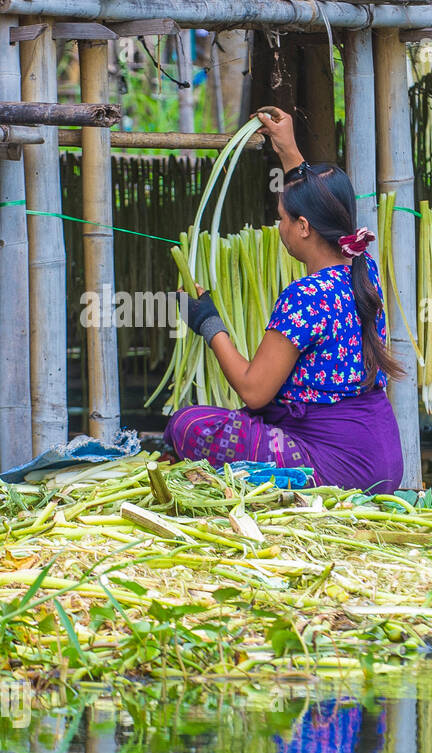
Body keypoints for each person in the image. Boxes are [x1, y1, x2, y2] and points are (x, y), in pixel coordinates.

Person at [163, 106, 406, 494]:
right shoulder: (364, 265)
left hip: (336, 467)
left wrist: (208, 322)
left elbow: (254, 390)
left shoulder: (307, 296)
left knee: (186, 425)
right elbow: (319, 198)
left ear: (304, 227)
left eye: (283, 218)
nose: (280, 227)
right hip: (384, 458)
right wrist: (288, 151)